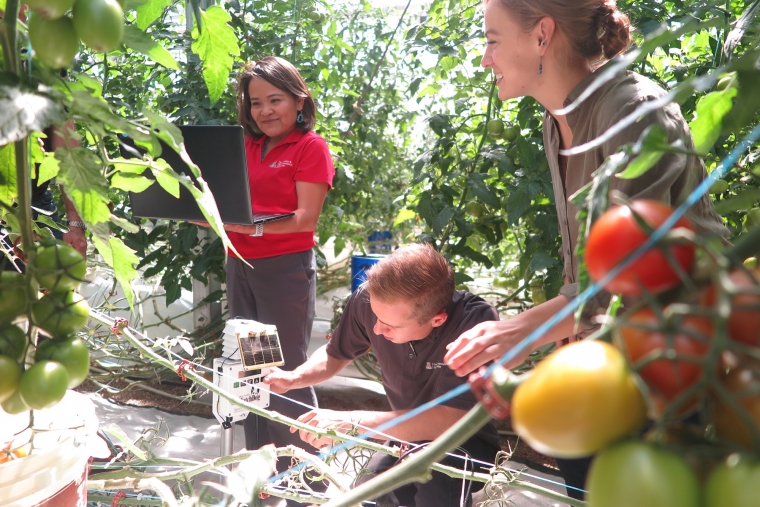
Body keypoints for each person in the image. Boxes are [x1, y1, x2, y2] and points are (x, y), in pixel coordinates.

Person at [443, 0, 729, 499]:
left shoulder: (633, 112)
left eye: (491, 39)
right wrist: (559, 340)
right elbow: (592, 261)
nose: (484, 59)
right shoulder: (558, 120)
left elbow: (629, 272)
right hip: (616, 354)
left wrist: (519, 330)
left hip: (672, 356)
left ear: (542, 35)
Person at [264, 243, 502, 507]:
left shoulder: (475, 322)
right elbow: (335, 354)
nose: (376, 329)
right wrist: (293, 378)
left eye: (389, 326)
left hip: (465, 442)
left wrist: (353, 422)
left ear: (437, 320)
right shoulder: (371, 301)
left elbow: (450, 419)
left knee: (436, 477)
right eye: (374, 316)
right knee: (367, 490)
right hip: (404, 437)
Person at [194, 56, 334, 493]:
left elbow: (305, 219)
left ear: (298, 101)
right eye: (256, 103)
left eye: (275, 99)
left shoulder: (311, 148)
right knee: (250, 370)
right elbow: (225, 201)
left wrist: (246, 226)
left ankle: (307, 480)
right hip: (242, 266)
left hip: (285, 271)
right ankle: (264, 476)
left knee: (286, 370)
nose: (265, 111)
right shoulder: (248, 148)